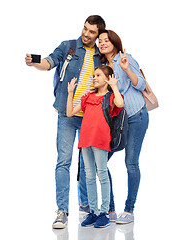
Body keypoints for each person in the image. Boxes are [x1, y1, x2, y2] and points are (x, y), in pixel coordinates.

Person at [25, 15, 106, 229]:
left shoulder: (101, 56)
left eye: (92, 32)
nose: (86, 34)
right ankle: (62, 211)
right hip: (67, 115)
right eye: (85, 29)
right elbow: (49, 62)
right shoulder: (68, 47)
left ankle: (86, 206)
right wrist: (35, 63)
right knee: (64, 162)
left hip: (90, 116)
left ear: (98, 36)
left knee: (87, 164)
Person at [98, 30, 149, 224]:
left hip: (136, 115)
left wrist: (126, 69)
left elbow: (141, 83)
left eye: (106, 40)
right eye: (100, 41)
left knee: (131, 163)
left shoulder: (125, 59)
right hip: (117, 121)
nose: (102, 43)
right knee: (100, 161)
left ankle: (129, 210)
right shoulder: (103, 67)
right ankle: (110, 209)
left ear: (114, 42)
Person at [67, 65, 124, 228]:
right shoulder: (87, 97)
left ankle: (104, 213)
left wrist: (114, 86)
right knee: (89, 176)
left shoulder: (110, 97)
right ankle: (93, 212)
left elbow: (119, 104)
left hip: (100, 141)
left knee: (102, 174)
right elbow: (70, 112)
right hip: (85, 140)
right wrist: (71, 93)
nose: (94, 78)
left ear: (107, 79)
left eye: (98, 75)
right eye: (94, 75)